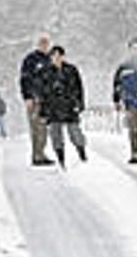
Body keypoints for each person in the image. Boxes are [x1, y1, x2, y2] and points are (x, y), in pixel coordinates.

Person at [39, 46, 87, 169]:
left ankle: (82, 153)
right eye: (54, 56)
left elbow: (79, 87)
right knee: (56, 135)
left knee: (75, 132)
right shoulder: (46, 72)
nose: (57, 58)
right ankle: (61, 158)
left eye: (59, 55)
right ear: (51, 58)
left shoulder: (71, 70)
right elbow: (43, 93)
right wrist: (43, 111)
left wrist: (80, 103)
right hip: (53, 107)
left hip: (69, 105)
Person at [20, 34, 53, 165]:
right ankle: (37, 156)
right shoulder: (30, 59)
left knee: (44, 129)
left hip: (46, 100)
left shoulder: (50, 59)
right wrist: (27, 97)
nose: (44, 45)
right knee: (36, 128)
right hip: (34, 99)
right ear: (38, 44)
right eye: (42, 42)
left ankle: (41, 153)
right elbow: (25, 79)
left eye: (46, 42)